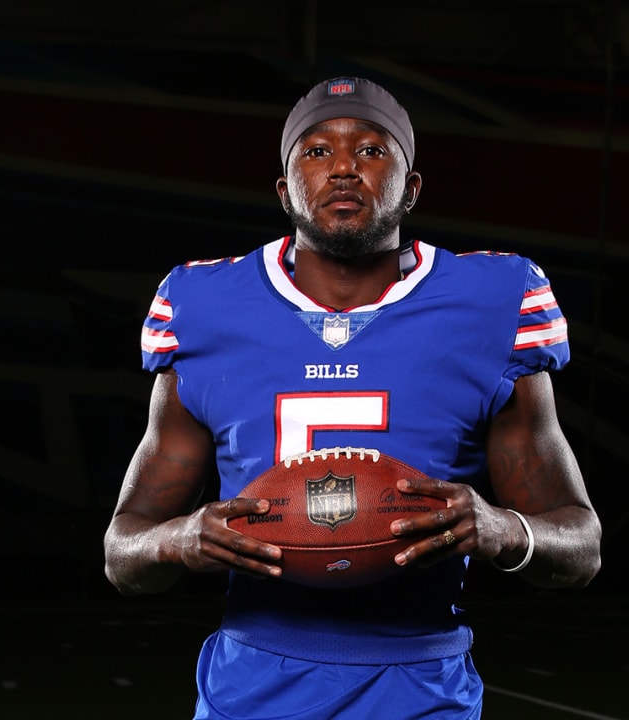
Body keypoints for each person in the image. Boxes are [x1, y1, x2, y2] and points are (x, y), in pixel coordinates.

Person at [104, 76, 601, 719]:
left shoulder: (493, 300)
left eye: (371, 151)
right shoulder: (201, 305)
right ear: (286, 192)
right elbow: (123, 554)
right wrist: (178, 539)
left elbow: (580, 547)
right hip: (252, 685)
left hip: (422, 686)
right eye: (316, 152)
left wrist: (505, 529)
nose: (343, 167)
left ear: (411, 188)